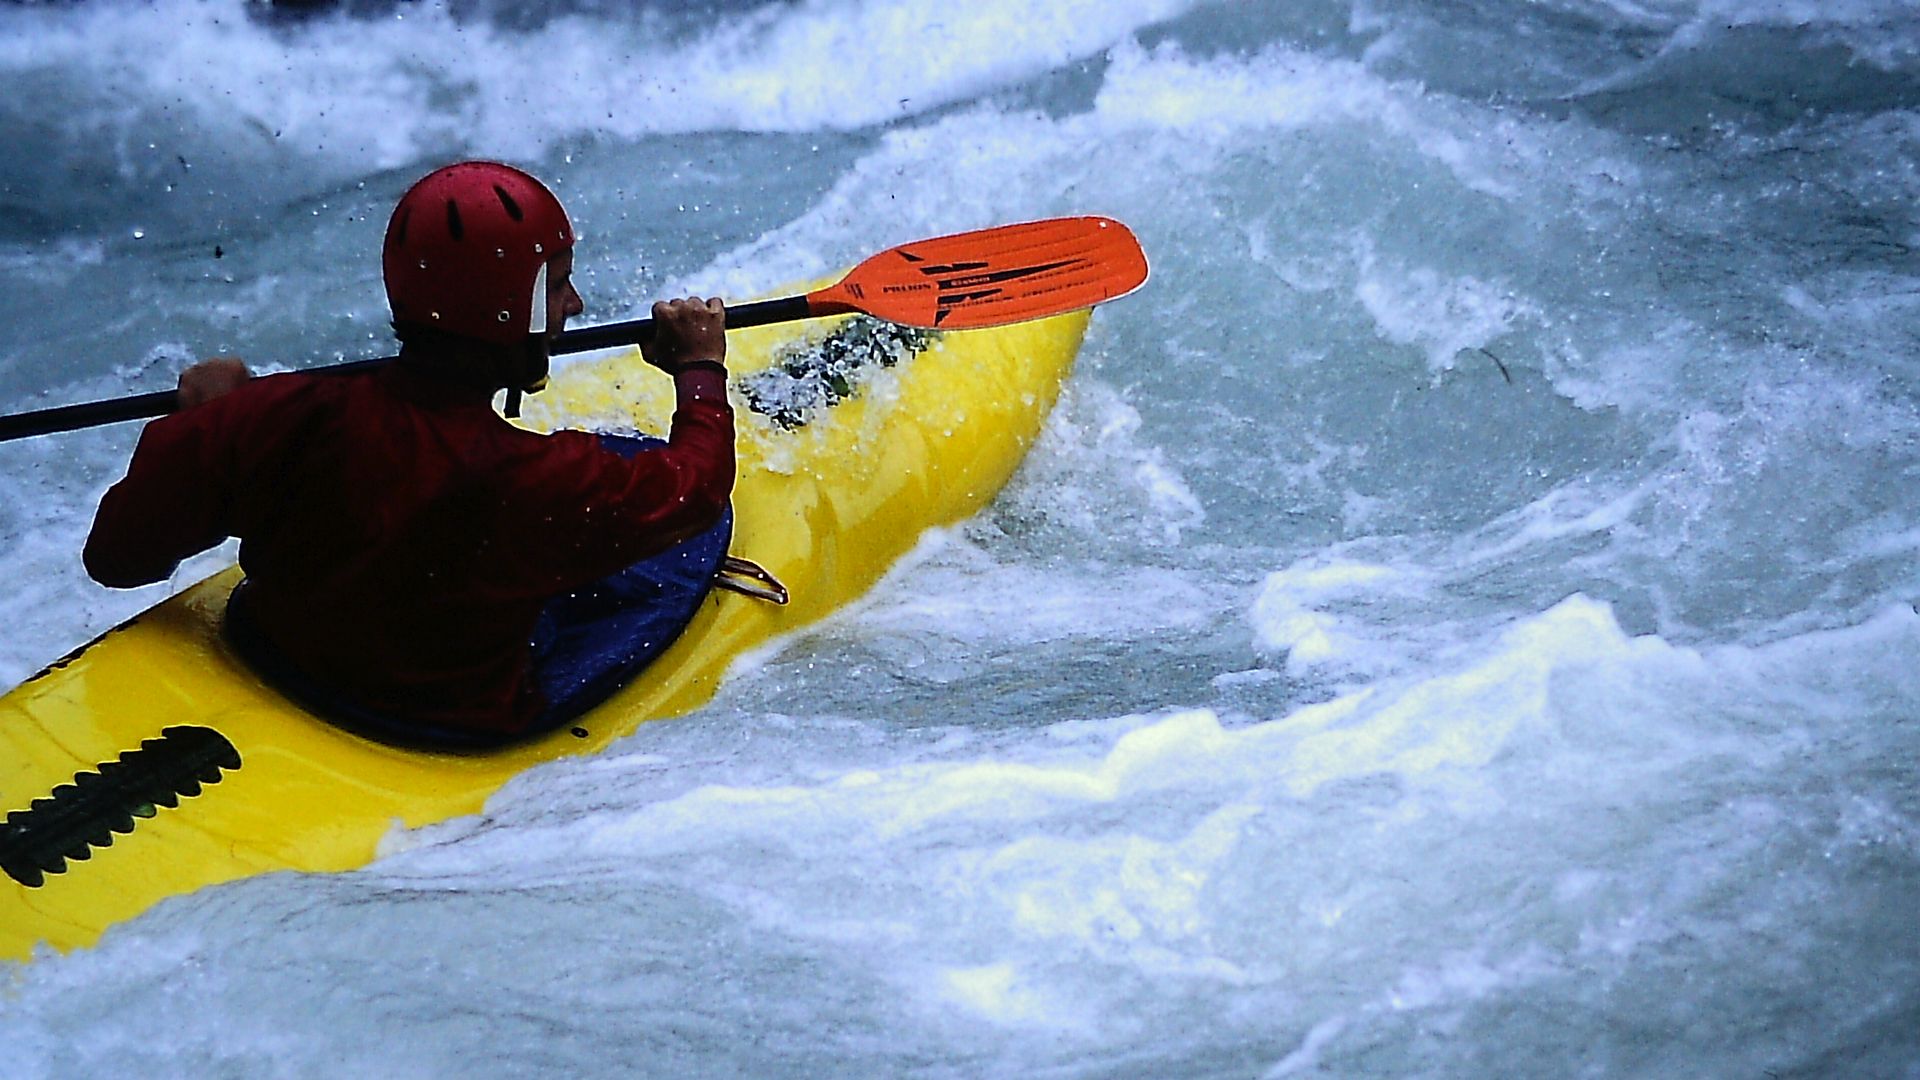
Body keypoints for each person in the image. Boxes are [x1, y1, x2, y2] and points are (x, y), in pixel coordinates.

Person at [83, 161, 736, 741]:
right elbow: (699, 487)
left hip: (276, 653)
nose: (576, 304)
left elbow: (117, 558)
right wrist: (699, 369)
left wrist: (204, 424)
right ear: (510, 308)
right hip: (447, 720)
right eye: (557, 284)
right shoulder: (538, 479)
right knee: (684, 547)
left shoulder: (274, 416)